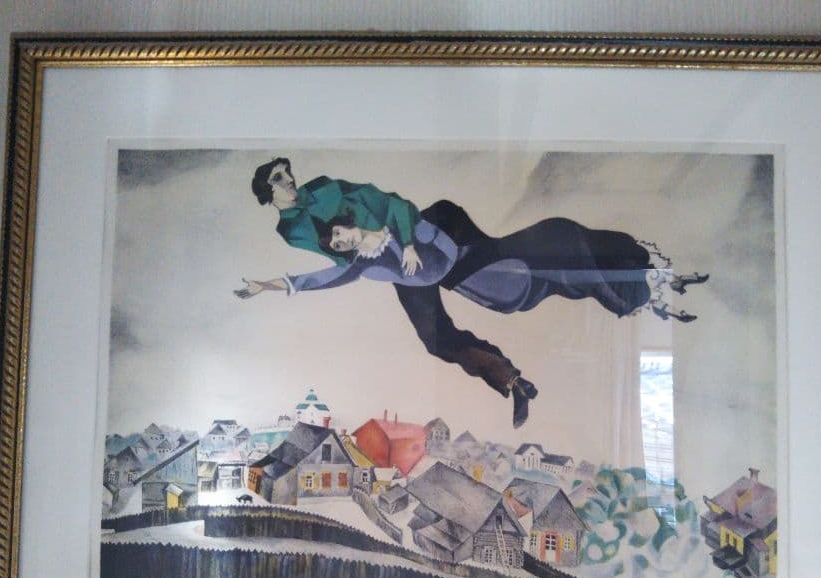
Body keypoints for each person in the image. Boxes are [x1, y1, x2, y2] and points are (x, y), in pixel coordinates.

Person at [237, 158, 707, 428]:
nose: (289, 179)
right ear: (267, 194)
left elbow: (390, 201)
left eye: (286, 172)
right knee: (435, 339)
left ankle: (625, 271)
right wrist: (273, 285)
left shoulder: (324, 189)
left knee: (501, 273)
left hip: (425, 231)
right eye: (278, 179)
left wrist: (403, 242)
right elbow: (331, 270)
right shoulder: (294, 232)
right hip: (391, 262)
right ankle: (513, 382)